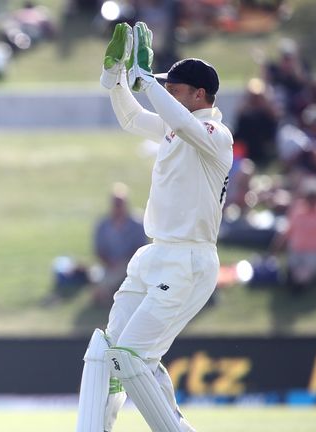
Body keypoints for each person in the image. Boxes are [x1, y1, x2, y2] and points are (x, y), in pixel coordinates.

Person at [77, 22, 233, 432]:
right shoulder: (173, 128)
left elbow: (183, 123)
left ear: (199, 95)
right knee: (106, 353)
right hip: (154, 253)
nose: (166, 95)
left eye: (174, 89)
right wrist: (115, 83)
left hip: (189, 260)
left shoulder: (216, 135)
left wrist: (146, 81)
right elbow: (132, 119)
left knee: (129, 359)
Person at [91, 182, 148, 307]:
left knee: (114, 277)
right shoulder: (103, 225)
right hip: (109, 266)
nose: (118, 207)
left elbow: (141, 248)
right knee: (96, 275)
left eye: (120, 204)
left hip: (131, 264)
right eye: (115, 204)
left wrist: (123, 262)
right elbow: (99, 250)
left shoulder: (137, 223)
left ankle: (108, 294)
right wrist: (110, 262)